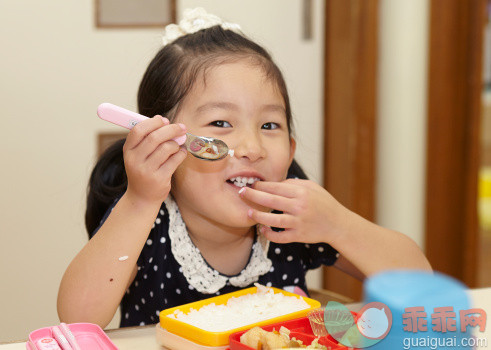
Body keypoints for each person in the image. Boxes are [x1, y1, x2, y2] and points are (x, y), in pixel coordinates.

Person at [57, 8, 431, 328]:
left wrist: (338, 224)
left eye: (270, 126)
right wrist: (139, 201)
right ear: (165, 144)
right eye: (220, 123)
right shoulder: (147, 220)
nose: (251, 148)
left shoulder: (292, 220)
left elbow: (420, 283)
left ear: (291, 149)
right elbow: (78, 320)